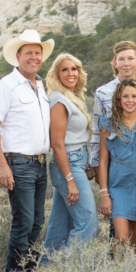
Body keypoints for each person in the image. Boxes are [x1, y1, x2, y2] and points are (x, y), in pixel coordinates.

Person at [0, 29, 53, 272]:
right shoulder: (7, 85)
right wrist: (2, 165)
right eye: (28, 53)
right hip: (19, 164)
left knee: (37, 223)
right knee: (23, 223)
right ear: (17, 57)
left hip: (40, 164)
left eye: (37, 53)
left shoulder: (40, 85)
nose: (34, 57)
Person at [43, 53, 97, 255]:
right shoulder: (58, 100)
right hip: (68, 165)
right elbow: (57, 144)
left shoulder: (71, 97)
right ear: (56, 74)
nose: (70, 73)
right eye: (64, 69)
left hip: (77, 162)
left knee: (60, 224)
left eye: (74, 68)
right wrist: (70, 179)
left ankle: (49, 270)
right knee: (88, 222)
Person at [98, 80, 136, 252]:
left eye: (134, 96)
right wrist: (104, 193)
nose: (129, 100)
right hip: (117, 185)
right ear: (118, 99)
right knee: (121, 237)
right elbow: (102, 162)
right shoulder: (108, 125)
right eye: (125, 96)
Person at [89, 41, 136, 173]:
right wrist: (95, 162)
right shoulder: (103, 92)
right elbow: (97, 130)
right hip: (114, 160)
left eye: (130, 58)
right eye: (121, 59)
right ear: (115, 63)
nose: (126, 63)